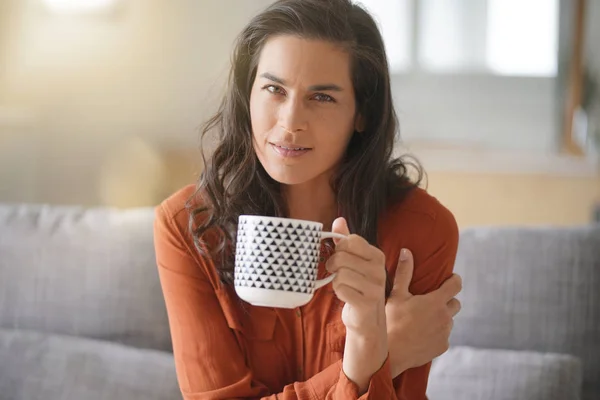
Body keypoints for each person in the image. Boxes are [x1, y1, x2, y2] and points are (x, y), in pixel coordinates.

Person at [153, 0, 463, 398]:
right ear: (247, 95)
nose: (289, 122)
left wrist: (371, 341)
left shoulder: (422, 230)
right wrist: (383, 352)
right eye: (273, 89)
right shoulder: (187, 226)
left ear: (362, 113)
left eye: (322, 98)